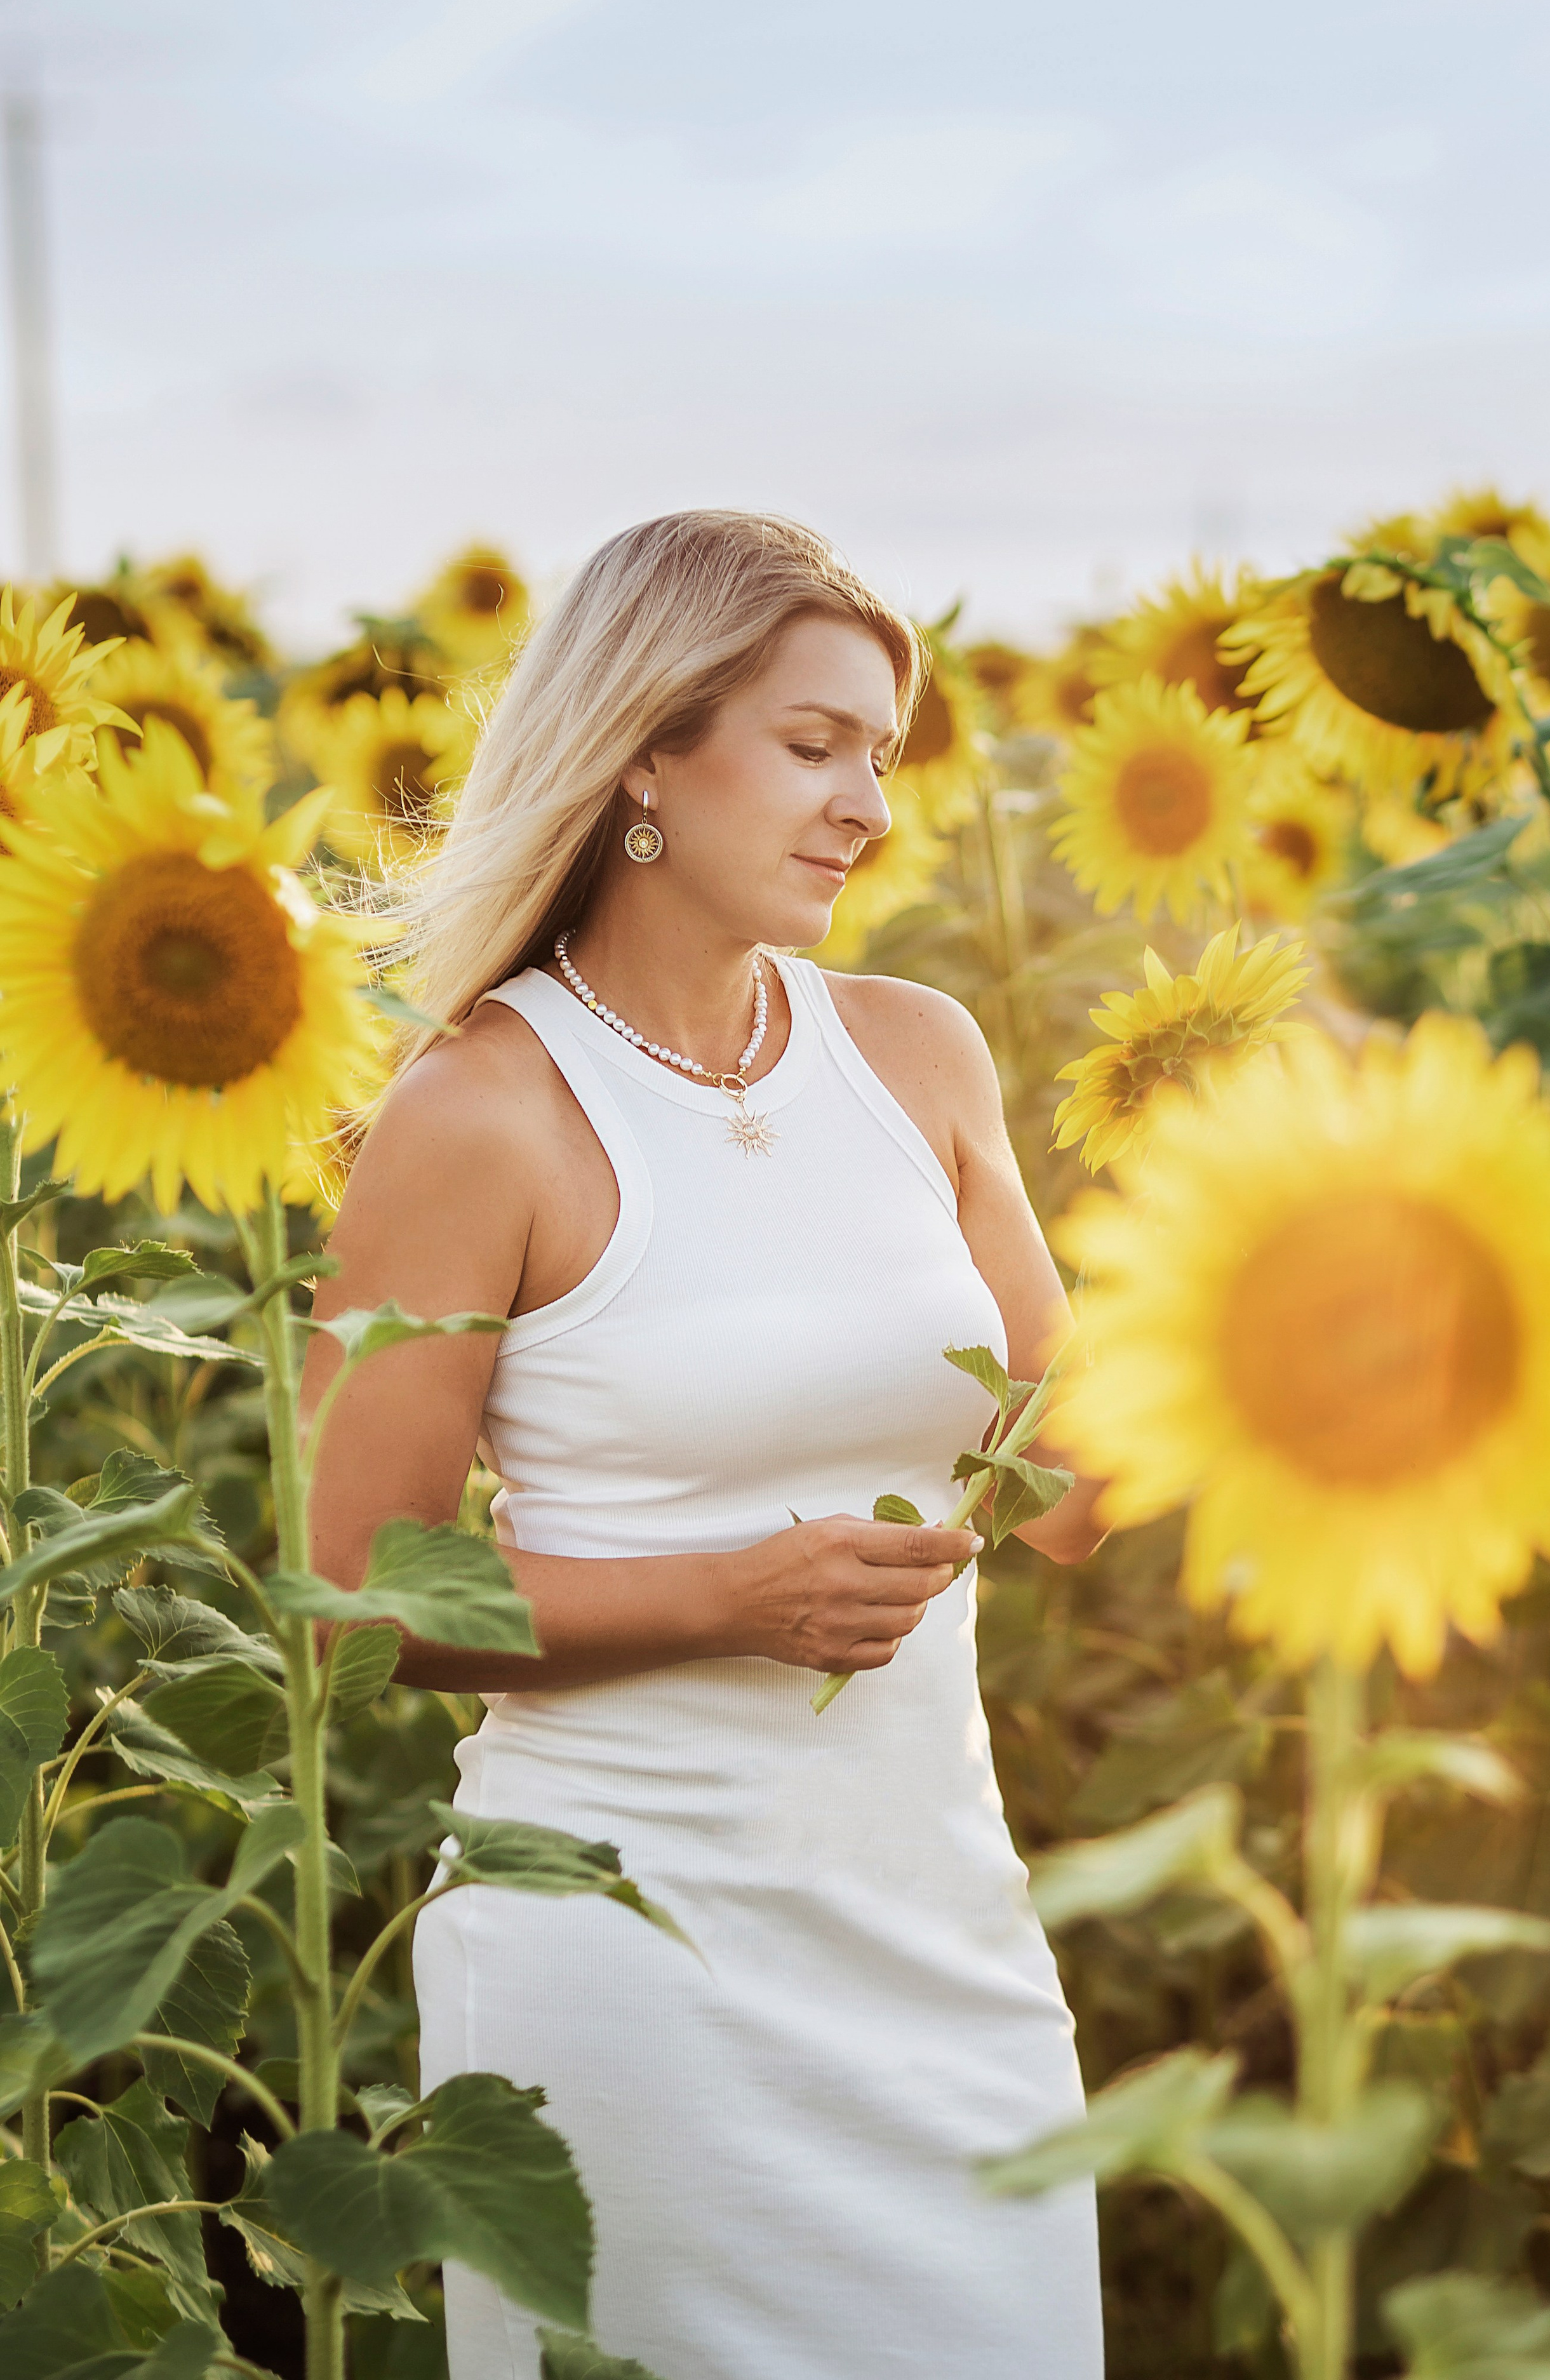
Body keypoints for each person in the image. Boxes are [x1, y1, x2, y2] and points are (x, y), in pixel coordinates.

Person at [304, 510, 1107, 2380]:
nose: (869, 806)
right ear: (649, 747)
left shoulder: (918, 1054)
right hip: (631, 1962)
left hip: (943, 1938)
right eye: (815, 743)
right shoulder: (483, 1110)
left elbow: (1065, 1484)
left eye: (881, 756)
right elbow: (351, 1595)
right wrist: (728, 1595)